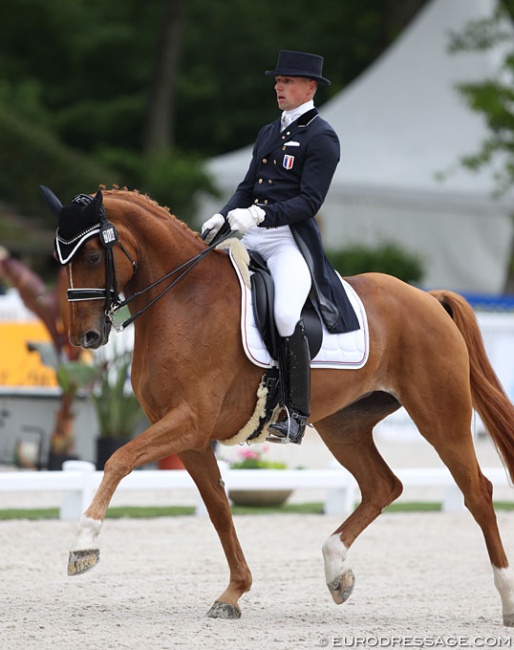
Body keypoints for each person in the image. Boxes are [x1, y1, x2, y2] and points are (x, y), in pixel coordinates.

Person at [202, 50, 359, 445]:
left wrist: (258, 216)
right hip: (249, 234)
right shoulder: (269, 133)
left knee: (287, 314)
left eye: (287, 81)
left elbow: (309, 202)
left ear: (309, 88)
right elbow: (246, 187)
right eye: (277, 81)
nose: (279, 87)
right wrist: (223, 216)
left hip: (287, 240)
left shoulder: (322, 137)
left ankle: (295, 414)